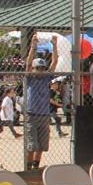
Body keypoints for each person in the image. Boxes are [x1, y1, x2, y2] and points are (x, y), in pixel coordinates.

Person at [24, 35, 58, 171]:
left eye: (42, 68)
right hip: (32, 115)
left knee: (42, 145)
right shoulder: (30, 79)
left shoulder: (46, 78)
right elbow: (27, 63)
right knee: (32, 145)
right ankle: (28, 169)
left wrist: (54, 46)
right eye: (37, 68)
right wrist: (33, 46)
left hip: (44, 115)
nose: (40, 71)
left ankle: (36, 167)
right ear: (33, 69)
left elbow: (54, 63)